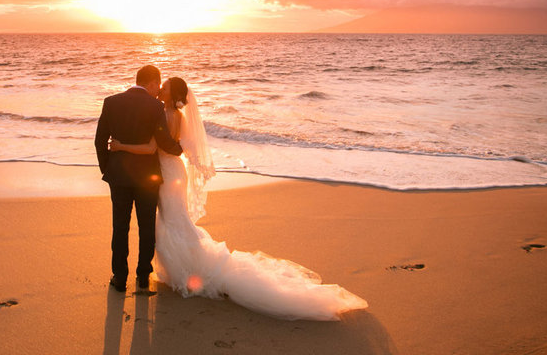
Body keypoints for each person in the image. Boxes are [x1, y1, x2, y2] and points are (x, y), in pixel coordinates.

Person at [109, 77, 368, 321]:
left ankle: (186, 271)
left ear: (172, 94)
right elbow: (175, 147)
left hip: (167, 172)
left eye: (165, 87)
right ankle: (179, 268)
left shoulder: (165, 114)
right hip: (175, 170)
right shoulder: (175, 115)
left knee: (172, 220)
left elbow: (157, 147)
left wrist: (122, 146)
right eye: (161, 86)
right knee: (175, 219)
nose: (161, 90)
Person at [94, 65, 183, 293]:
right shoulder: (156, 106)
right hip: (147, 177)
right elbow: (163, 140)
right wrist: (179, 149)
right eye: (157, 85)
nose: (158, 90)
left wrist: (109, 169)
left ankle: (120, 278)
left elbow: (99, 140)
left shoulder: (111, 102)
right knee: (146, 227)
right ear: (152, 82)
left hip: (119, 177)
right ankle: (143, 277)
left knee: (120, 227)